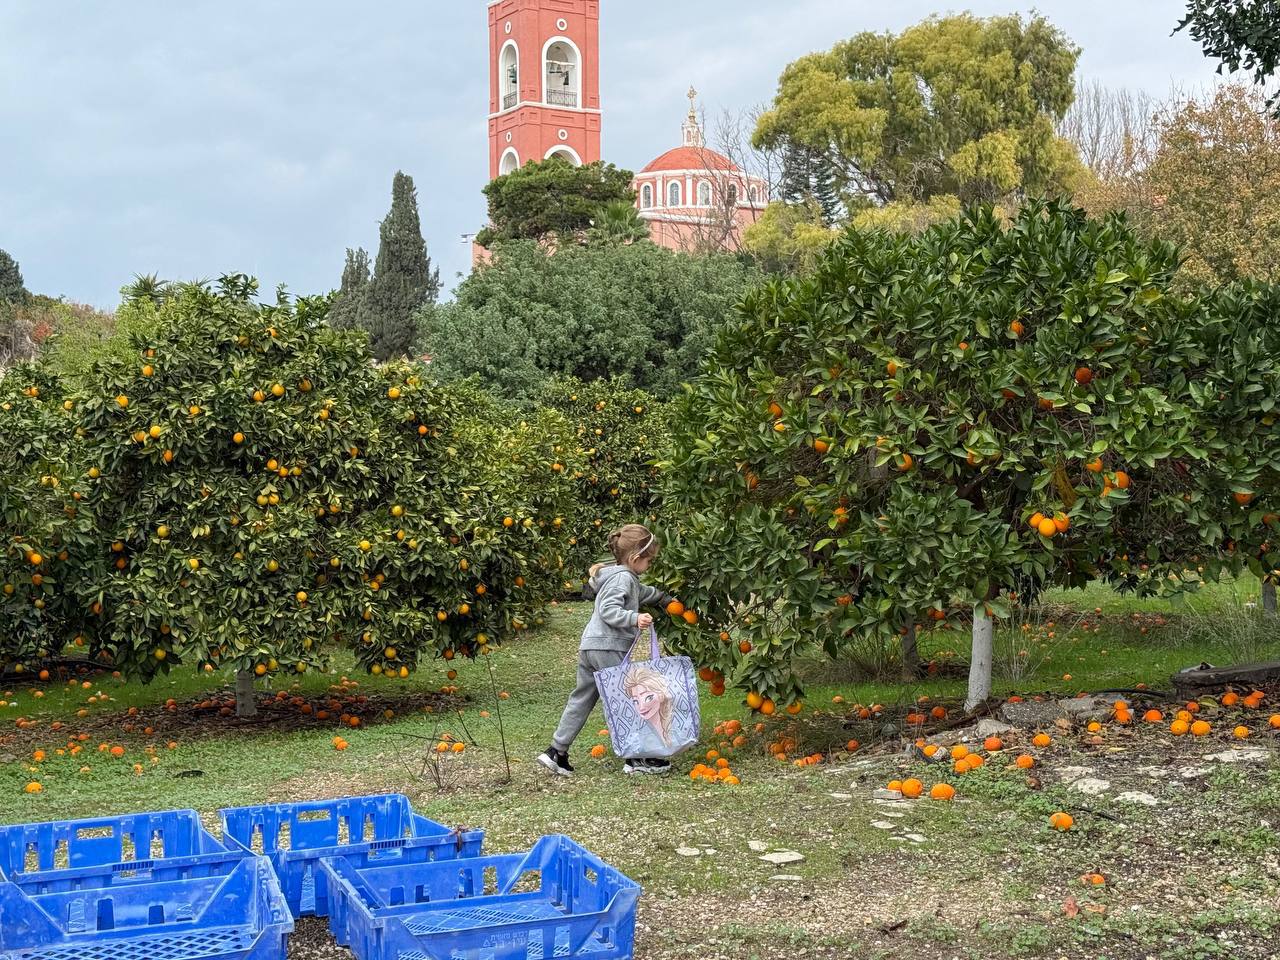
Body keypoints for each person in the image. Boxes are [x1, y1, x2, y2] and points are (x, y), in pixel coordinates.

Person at [539, 523, 677, 777]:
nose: (649, 566)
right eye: (649, 561)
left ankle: (557, 752)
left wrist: (664, 598)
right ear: (636, 558)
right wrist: (633, 618)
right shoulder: (623, 578)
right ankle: (637, 758)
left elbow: (641, 591)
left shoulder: (619, 576)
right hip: (609, 647)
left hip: (590, 647)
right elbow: (609, 610)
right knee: (629, 701)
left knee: (582, 698)